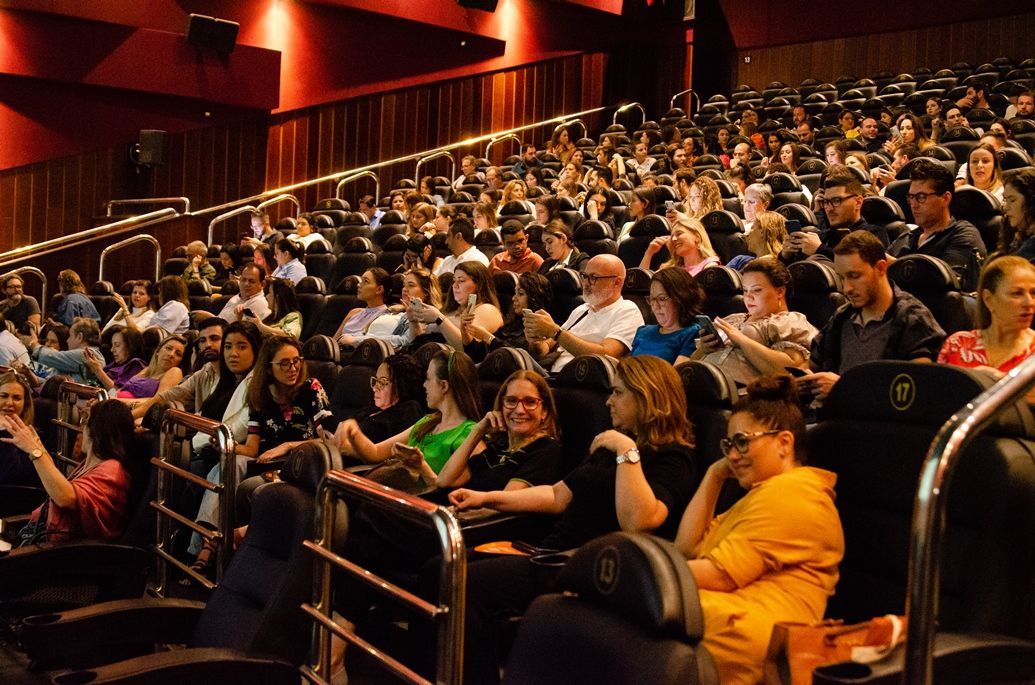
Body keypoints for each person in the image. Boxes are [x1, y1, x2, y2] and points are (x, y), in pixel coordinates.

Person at [450, 355, 697, 685]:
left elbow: (638, 521)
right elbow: (556, 496)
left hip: (589, 568)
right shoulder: (611, 444)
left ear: (646, 395)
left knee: (464, 584)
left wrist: (627, 453)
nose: (609, 401)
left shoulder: (672, 456)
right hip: (550, 553)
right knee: (441, 567)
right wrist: (487, 498)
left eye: (618, 393)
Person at [676, 374, 844, 685]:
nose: (734, 455)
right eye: (728, 445)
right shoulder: (760, 496)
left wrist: (645, 576)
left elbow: (719, 575)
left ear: (784, 443)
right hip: (724, 623)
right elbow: (686, 548)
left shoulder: (795, 492)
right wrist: (714, 475)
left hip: (755, 642)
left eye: (742, 441)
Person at [805, 231, 946, 401]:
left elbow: (917, 389)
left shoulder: (912, 317)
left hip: (884, 423)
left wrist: (845, 387)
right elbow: (811, 364)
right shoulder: (843, 316)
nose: (846, 288)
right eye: (842, 278)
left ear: (880, 268)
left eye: (854, 276)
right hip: (838, 417)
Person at [335, 348, 480, 482]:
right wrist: (353, 431)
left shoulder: (470, 435)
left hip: (419, 505)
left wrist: (421, 466)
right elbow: (375, 452)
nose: (424, 385)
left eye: (428, 379)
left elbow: (449, 491)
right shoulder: (428, 421)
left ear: (444, 386)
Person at [2, 399, 135, 544]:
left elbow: (65, 497)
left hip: (72, 554)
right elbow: (60, 486)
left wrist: (35, 450)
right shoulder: (91, 463)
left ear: (94, 430)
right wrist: (39, 448)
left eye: (85, 423)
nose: (81, 430)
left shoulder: (112, 470)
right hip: (44, 538)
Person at [692, 258, 817, 385]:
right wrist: (703, 350)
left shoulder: (789, 322)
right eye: (745, 290)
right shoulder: (733, 319)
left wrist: (741, 340)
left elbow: (792, 371)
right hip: (699, 383)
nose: (748, 296)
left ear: (780, 291)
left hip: (740, 395)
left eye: (757, 290)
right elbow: (691, 364)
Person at [434, 369, 562, 491]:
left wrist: (459, 511)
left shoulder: (545, 449)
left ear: (544, 411)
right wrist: (478, 431)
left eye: (530, 402)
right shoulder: (498, 447)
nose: (519, 410)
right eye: (511, 401)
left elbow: (505, 504)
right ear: (501, 406)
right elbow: (444, 481)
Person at [523, 254, 644, 372]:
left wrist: (555, 332)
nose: (585, 283)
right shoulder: (582, 309)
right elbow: (546, 348)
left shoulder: (627, 310)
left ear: (616, 282)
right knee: (514, 358)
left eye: (593, 278)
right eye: (584, 276)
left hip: (586, 381)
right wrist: (536, 341)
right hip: (554, 375)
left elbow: (606, 355)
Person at [238, 337, 334, 463]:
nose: (293, 369)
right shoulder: (260, 394)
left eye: (296, 361)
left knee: (251, 482)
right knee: (234, 462)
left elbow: (330, 440)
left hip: (306, 463)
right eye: (284, 363)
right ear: (268, 368)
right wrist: (228, 446)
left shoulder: (311, 388)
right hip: (272, 464)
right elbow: (252, 449)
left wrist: (287, 446)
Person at [889, 159, 987, 282]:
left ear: (945, 198)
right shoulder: (906, 237)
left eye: (921, 197)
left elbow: (947, 284)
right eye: (911, 197)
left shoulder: (963, 234)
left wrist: (893, 266)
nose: (913, 205)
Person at [938, 256, 1035, 376]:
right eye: (1017, 293)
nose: (1030, 303)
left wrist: (999, 382)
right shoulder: (957, 345)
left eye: (1033, 293)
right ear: (988, 299)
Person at [782, 166, 889, 263]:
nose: (829, 208)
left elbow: (860, 268)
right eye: (826, 202)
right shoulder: (822, 236)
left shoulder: (874, 234)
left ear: (858, 202)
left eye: (836, 200)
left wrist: (820, 249)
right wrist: (785, 256)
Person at [130, 317, 228, 421]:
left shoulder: (235, 374)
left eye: (214, 338)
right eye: (202, 340)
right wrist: (129, 418)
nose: (208, 344)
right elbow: (166, 397)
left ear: (227, 340)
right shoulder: (204, 372)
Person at [410, 261, 503, 350]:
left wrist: (439, 319)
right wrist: (413, 322)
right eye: (454, 280)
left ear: (479, 284)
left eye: (461, 280)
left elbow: (468, 347)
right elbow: (416, 344)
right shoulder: (449, 310)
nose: (455, 285)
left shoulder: (487, 309)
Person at [463, 271, 552, 362]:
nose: (514, 298)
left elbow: (519, 359)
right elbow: (477, 356)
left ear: (534, 298)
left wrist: (487, 337)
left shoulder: (543, 330)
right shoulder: (511, 325)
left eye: (520, 294)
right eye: (515, 293)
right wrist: (465, 332)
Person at [630, 267, 703, 364]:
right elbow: (628, 368)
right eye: (652, 299)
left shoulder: (692, 333)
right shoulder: (643, 331)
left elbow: (676, 375)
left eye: (662, 298)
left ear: (681, 298)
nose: (655, 306)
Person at [87, 335, 185, 401]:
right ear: (158, 351)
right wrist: (104, 398)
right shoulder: (147, 370)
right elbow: (119, 391)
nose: (171, 354)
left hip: (124, 409)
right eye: (168, 348)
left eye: (178, 354)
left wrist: (116, 401)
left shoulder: (174, 372)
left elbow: (156, 402)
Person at [23, 317, 103, 384]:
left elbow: (50, 357)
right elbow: (52, 378)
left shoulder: (88, 354)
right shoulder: (81, 358)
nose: (67, 340)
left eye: (70, 336)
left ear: (79, 337)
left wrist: (34, 345)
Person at [641, 214, 720, 276]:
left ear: (697, 238)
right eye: (672, 236)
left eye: (679, 234)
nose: (673, 239)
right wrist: (648, 254)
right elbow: (643, 284)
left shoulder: (709, 264)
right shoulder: (671, 267)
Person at [0, 371, 40, 487]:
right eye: (3, 396)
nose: (10, 403)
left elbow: (13, 478)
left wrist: (6, 430)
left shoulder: (31, 435)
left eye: (17, 398)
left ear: (25, 403)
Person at [334, 268, 391, 344]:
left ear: (379, 289)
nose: (358, 285)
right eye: (361, 281)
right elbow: (333, 342)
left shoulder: (386, 316)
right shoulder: (354, 312)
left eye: (366, 281)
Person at [81, 327, 146, 392]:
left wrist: (98, 371)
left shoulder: (135, 365)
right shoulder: (115, 364)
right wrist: (93, 367)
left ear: (130, 346)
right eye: (112, 345)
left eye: (117, 345)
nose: (112, 350)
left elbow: (118, 394)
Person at [1001, 168, 1035, 259]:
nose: (1006, 207)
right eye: (1005, 200)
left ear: (1031, 201)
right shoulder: (1017, 237)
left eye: (1012, 200)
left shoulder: (1032, 245)